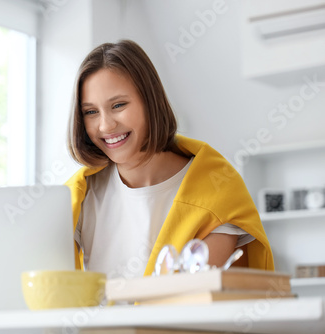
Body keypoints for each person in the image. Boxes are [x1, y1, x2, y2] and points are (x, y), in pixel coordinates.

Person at [65, 39, 274, 279]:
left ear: (150, 101)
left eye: (118, 105)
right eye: (91, 112)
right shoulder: (76, 198)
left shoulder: (217, 189)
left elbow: (189, 300)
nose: (105, 125)